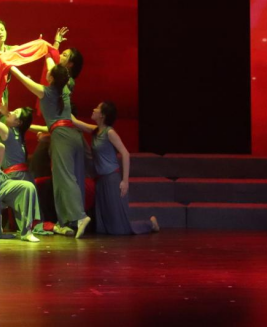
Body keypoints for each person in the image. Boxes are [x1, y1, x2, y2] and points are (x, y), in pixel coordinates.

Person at [10, 63, 90, 238]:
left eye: (49, 72)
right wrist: (49, 50)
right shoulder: (64, 89)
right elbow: (52, 64)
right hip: (73, 135)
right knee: (71, 178)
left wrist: (10, 65)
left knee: (66, 179)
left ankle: (80, 216)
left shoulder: (46, 92)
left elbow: (23, 80)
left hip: (61, 137)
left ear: (52, 78)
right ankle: (70, 221)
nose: (46, 72)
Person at [71, 102, 158, 236]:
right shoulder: (95, 130)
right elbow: (76, 122)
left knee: (120, 228)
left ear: (103, 115)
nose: (93, 109)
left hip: (111, 179)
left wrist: (125, 181)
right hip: (100, 181)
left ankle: (150, 223)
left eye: (97, 108)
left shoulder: (110, 132)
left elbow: (125, 153)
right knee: (104, 226)